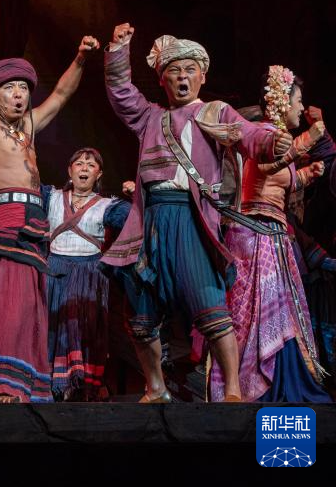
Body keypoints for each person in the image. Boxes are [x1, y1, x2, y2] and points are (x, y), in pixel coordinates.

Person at [99, 24, 287, 402]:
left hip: (191, 219)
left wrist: (270, 142)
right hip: (150, 223)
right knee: (141, 313)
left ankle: (232, 390)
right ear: (163, 79)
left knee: (210, 307)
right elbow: (120, 92)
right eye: (174, 71)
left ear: (202, 76)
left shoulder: (215, 112)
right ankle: (155, 387)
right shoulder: (150, 117)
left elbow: (248, 134)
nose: (182, 77)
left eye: (190, 70)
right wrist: (118, 50)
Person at [0, 36, 99, 402]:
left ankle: (22, 384)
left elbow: (61, 95)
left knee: (29, 303)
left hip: (34, 217)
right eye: (10, 88)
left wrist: (80, 57)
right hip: (7, 216)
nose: (19, 95)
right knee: (7, 299)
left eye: (24, 88)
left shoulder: (27, 127)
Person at [209, 66, 330, 402]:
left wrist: (307, 174)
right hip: (255, 235)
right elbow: (264, 166)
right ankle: (255, 386)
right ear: (281, 102)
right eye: (298, 101)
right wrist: (309, 139)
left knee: (281, 309)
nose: (301, 108)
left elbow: (278, 181)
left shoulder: (278, 139)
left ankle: (282, 383)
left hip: (272, 234)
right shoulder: (263, 134)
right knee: (258, 312)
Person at [43, 147, 129, 401]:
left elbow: (136, 221)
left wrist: (137, 195)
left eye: (91, 165)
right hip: (54, 271)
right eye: (79, 163)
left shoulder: (108, 206)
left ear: (98, 174)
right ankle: (51, 383)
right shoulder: (50, 197)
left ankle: (82, 384)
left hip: (89, 274)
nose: (84, 168)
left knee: (84, 327)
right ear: (69, 171)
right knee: (53, 325)